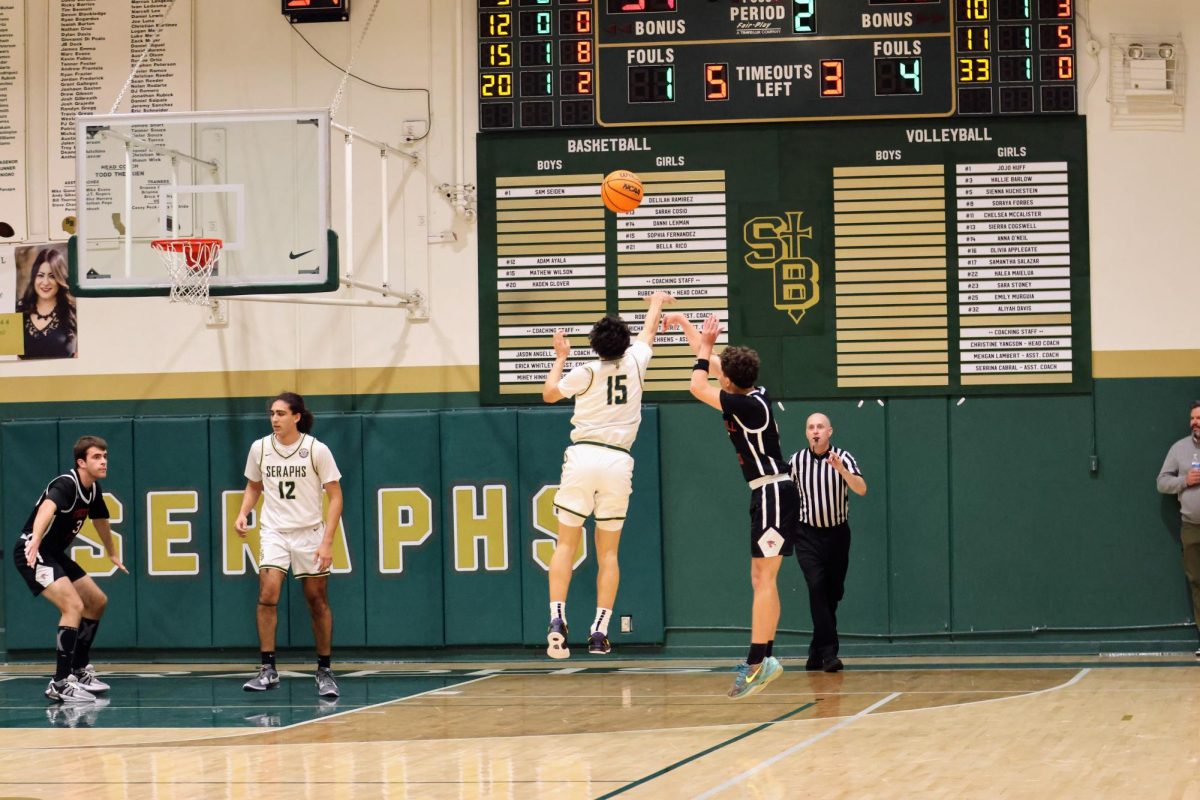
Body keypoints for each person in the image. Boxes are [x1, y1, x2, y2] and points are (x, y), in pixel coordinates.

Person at [669, 312, 798, 699]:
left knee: (765, 580)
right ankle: (765, 659)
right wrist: (690, 328)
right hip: (767, 493)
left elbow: (696, 384)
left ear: (728, 381)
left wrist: (707, 346)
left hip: (774, 492)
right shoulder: (749, 393)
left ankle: (758, 662)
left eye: (721, 372)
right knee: (760, 579)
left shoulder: (746, 407)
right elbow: (705, 359)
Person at [541, 291, 673, 658]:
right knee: (609, 553)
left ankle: (556, 618)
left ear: (595, 346)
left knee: (566, 543)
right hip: (618, 461)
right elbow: (649, 334)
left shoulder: (586, 372)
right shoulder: (635, 361)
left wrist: (560, 358)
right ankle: (599, 631)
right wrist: (656, 303)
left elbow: (549, 394)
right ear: (624, 342)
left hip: (582, 456)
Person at [236, 392, 344, 696]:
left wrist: (327, 541)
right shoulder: (260, 448)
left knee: (316, 599)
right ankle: (267, 669)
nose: (274, 419)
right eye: (272, 413)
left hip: (309, 531)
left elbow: (335, 496)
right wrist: (244, 512)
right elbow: (253, 486)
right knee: (268, 594)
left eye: (281, 413)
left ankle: (324, 670)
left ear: (297, 416)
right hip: (274, 531)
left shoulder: (315, 450)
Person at [13, 436, 126, 703]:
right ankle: (60, 683)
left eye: (105, 456)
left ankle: (79, 669)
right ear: (81, 462)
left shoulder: (94, 490)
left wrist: (111, 551)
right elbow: (46, 509)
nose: (103, 461)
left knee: (97, 601)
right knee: (73, 606)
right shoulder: (66, 484)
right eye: (97, 457)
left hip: (53, 554)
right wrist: (36, 539)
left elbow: (101, 521)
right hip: (33, 552)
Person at [789, 413, 867, 672]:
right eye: (810, 427)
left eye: (820, 426)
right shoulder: (796, 461)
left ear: (830, 431)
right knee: (816, 587)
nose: (815, 431)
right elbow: (785, 494)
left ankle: (815, 649)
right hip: (807, 535)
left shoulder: (844, 457)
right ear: (806, 432)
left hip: (837, 535)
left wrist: (842, 471)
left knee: (832, 594)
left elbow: (861, 489)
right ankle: (830, 654)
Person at [1156, 400, 1200, 658]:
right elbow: (1162, 482)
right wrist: (1185, 481)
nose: (1195, 422)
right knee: (1197, 582)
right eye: (1193, 418)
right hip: (1192, 528)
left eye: (1199, 418)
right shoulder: (1179, 449)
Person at [18, 246, 78, 360]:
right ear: (34, 277)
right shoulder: (18, 310)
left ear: (60, 279)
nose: (45, 282)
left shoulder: (74, 313)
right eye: (40, 275)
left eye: (52, 276)